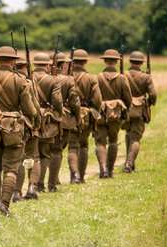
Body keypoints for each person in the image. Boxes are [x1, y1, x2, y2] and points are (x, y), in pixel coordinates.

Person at [0, 46, 36, 216]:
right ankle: (5, 205)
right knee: (10, 169)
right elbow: (29, 108)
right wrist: (33, 122)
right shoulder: (20, 80)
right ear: (13, 61)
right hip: (14, 128)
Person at [96, 49, 132, 178]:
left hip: (100, 114)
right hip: (116, 114)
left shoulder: (98, 77)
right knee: (113, 141)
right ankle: (110, 170)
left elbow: (94, 98)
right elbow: (128, 98)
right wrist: (123, 108)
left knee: (100, 142)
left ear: (105, 61)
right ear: (117, 62)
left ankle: (103, 169)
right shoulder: (123, 78)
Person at [67, 49, 102, 183]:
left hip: (69, 115)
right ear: (85, 62)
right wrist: (92, 111)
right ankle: (80, 176)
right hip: (86, 116)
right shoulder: (91, 78)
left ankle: (74, 175)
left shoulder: (66, 77)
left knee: (72, 146)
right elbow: (97, 100)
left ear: (72, 61)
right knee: (84, 145)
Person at [47, 52, 80, 191]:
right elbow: (74, 101)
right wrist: (77, 116)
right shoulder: (68, 80)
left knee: (45, 151)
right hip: (63, 119)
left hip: (46, 119)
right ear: (65, 65)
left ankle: (42, 182)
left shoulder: (44, 78)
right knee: (57, 150)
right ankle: (52, 182)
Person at [12, 56, 41, 202]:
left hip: (9, 126)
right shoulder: (28, 82)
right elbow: (34, 106)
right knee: (32, 157)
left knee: (17, 160)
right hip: (27, 125)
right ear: (27, 67)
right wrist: (37, 124)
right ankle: (31, 188)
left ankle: (16, 192)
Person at [31, 52, 61, 192]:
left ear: (34, 64)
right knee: (44, 155)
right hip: (47, 122)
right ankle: (40, 184)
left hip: (30, 120)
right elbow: (57, 101)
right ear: (48, 66)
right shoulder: (53, 80)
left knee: (33, 155)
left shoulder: (27, 77)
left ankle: (32, 184)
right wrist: (58, 115)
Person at [123, 51, 157, 173]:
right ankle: (129, 163)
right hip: (139, 111)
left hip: (125, 110)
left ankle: (129, 163)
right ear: (142, 63)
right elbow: (153, 94)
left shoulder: (123, 75)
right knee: (135, 138)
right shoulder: (146, 77)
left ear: (130, 61)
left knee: (128, 133)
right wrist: (148, 103)